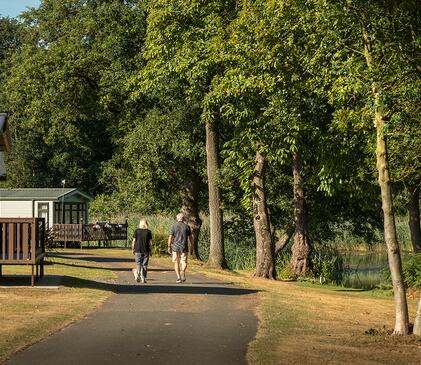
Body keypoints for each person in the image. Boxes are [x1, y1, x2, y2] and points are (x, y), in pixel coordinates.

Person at [168, 213, 192, 283]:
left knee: (176, 262)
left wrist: (169, 246)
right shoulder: (187, 227)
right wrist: (192, 246)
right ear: (183, 219)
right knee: (184, 261)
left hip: (175, 246)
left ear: (177, 218)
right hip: (184, 246)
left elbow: (170, 237)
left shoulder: (173, 226)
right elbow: (190, 238)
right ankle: (183, 271)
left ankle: (178, 277)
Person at [132, 218, 153, 283]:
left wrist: (133, 249)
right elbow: (150, 242)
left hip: (138, 249)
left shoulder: (137, 231)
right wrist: (151, 250)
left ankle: (138, 274)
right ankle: (143, 277)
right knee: (145, 264)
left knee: (138, 263)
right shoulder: (148, 232)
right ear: (146, 224)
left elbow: (134, 241)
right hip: (146, 250)